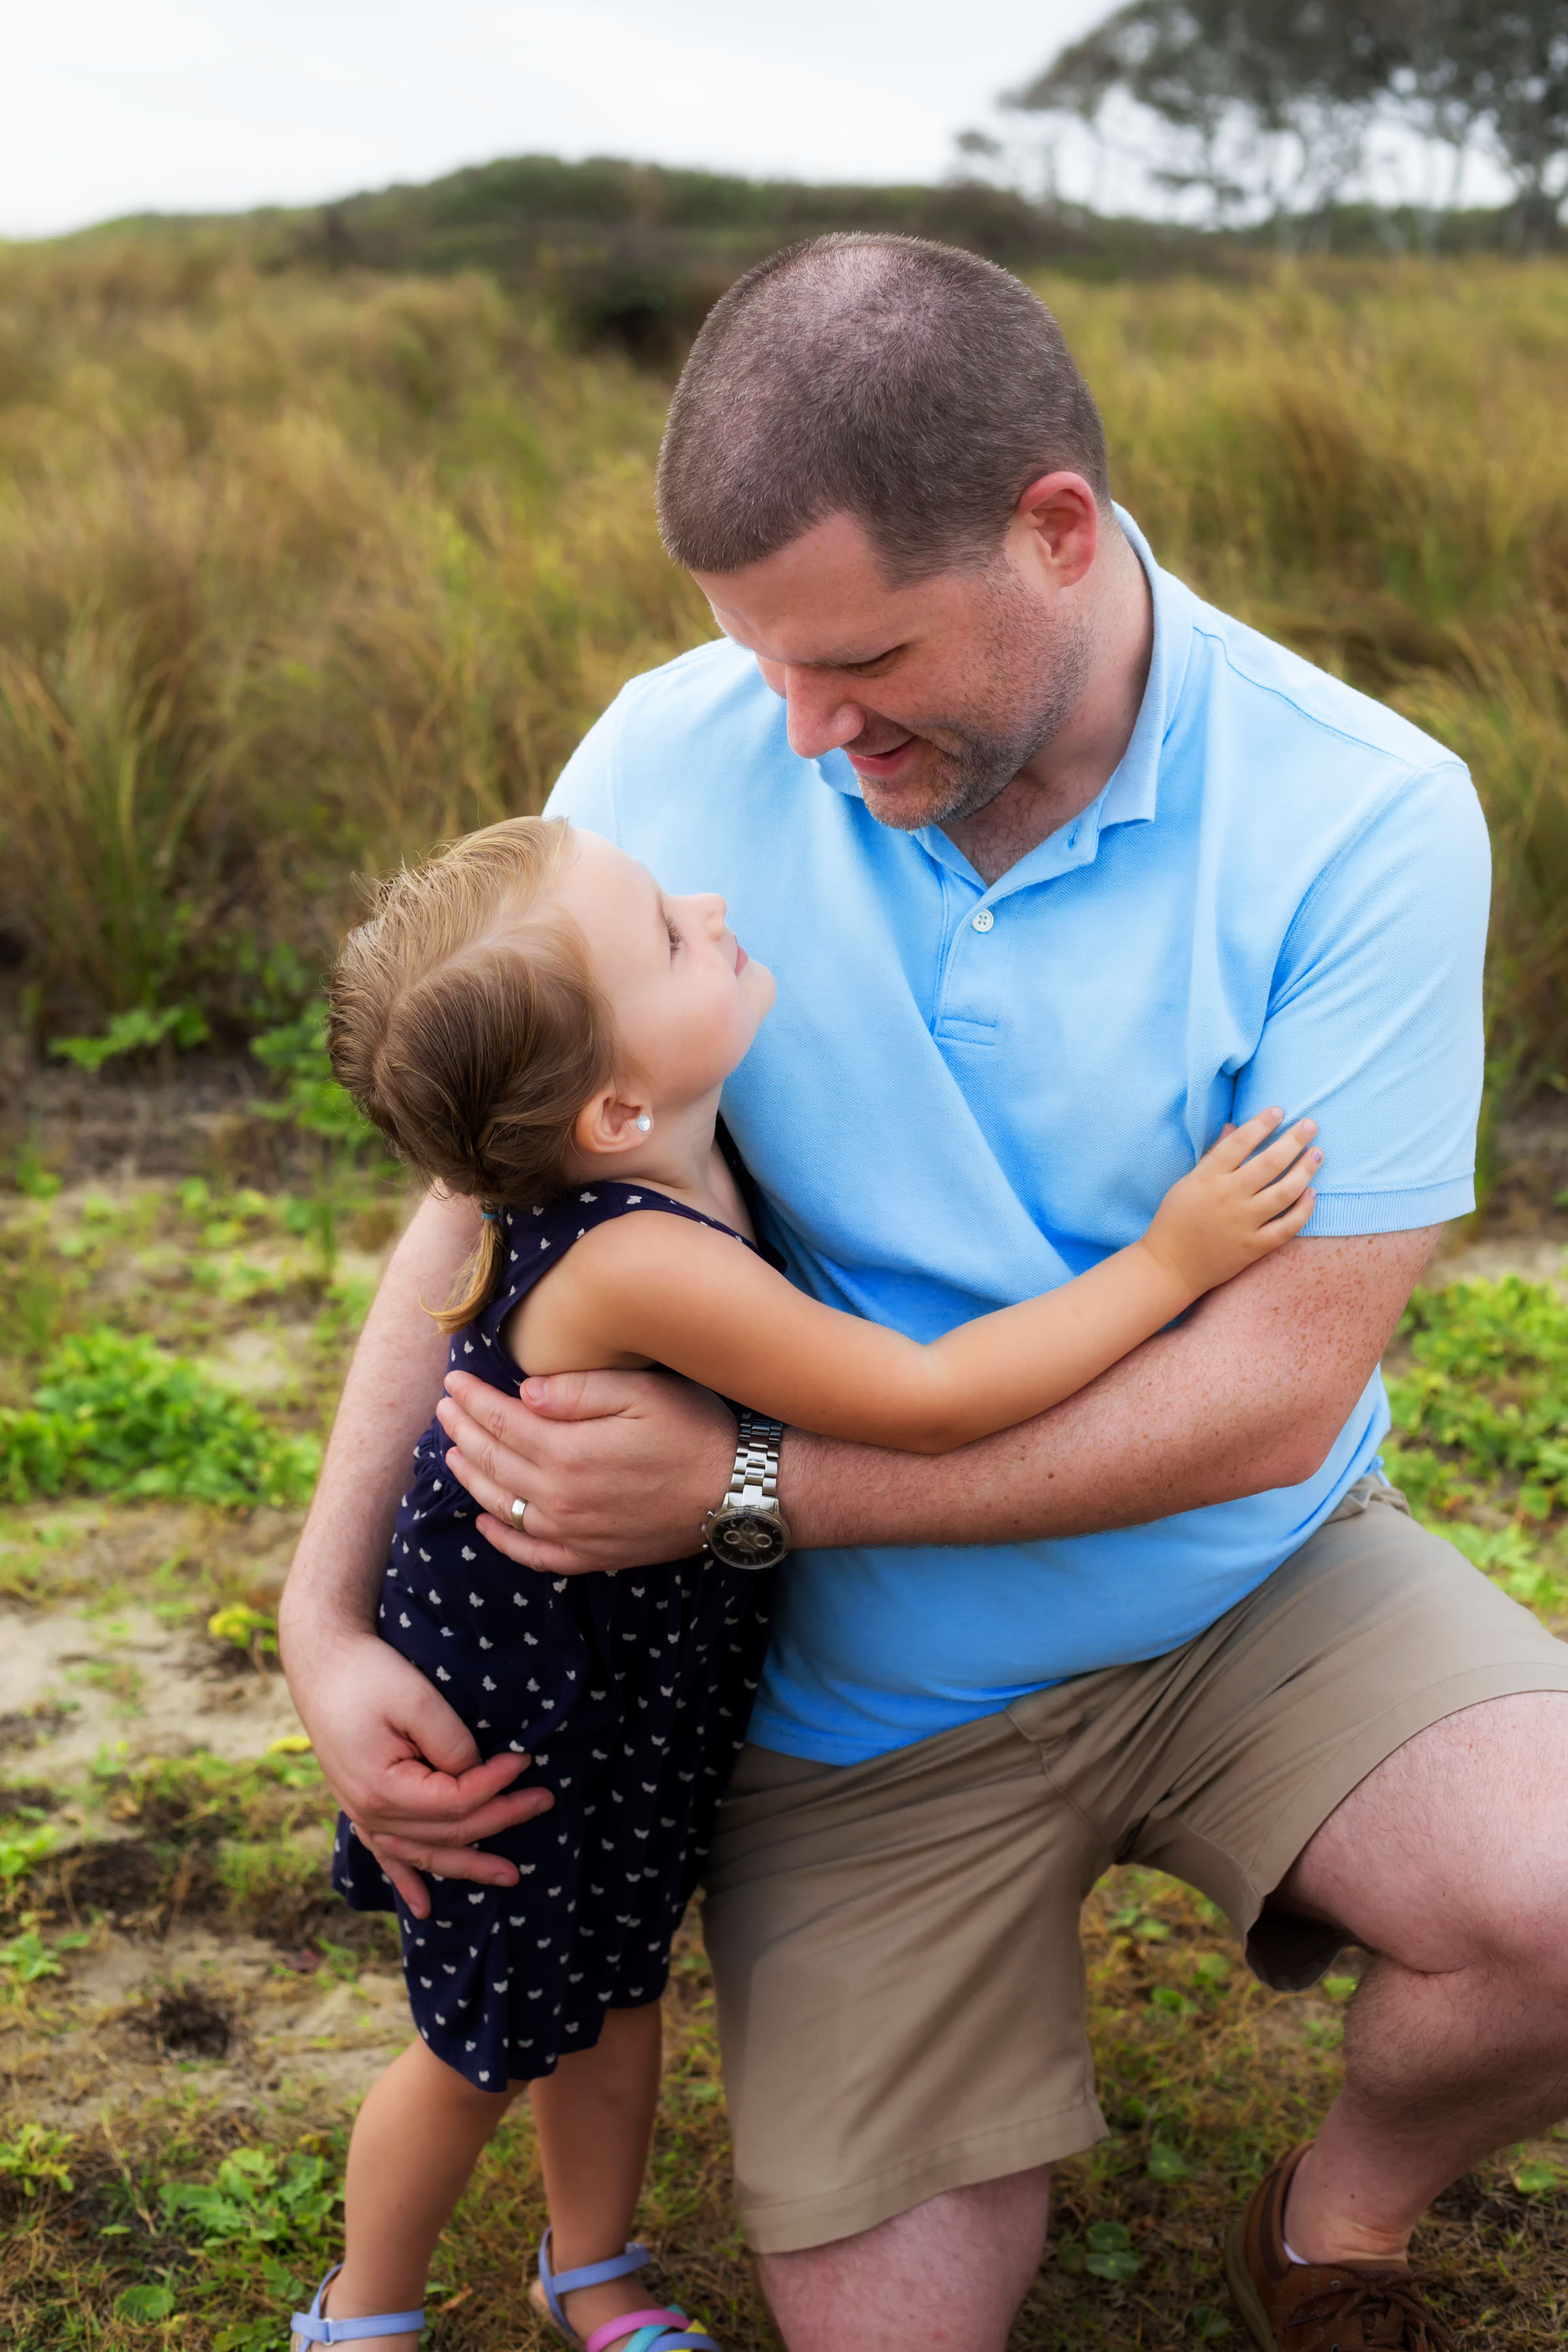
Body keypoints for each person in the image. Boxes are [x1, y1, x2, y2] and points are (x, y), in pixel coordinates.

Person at [280, 234, 1568, 2352]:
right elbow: (462, 1223)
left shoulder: (1370, 818)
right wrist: (325, 1630)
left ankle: (1337, 2229)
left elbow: (1271, 1386)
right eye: (760, 662)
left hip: (1252, 1575)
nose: (797, 732)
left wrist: (755, 1488)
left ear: (1057, 531)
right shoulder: (670, 763)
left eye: (860, 657)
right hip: (847, 1702)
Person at [288, 809, 1320, 2351]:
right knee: (483, 2045)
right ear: (616, 1109)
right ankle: (360, 2309)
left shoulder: (662, 1157)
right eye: (664, 932)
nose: (710, 903)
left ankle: (594, 2275)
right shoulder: (632, 1254)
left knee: (615, 1996)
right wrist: (1169, 1266)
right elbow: (926, 1399)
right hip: (516, 1729)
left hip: (625, 1692)